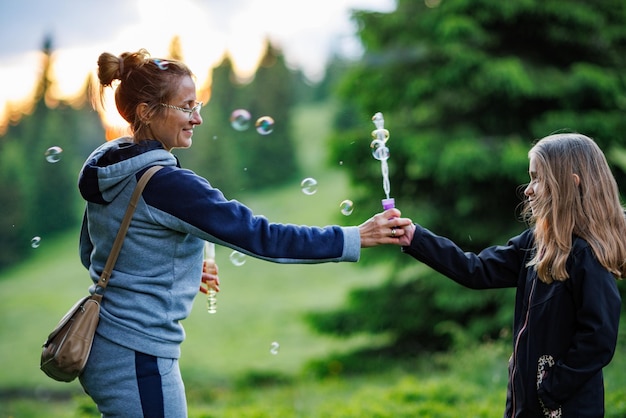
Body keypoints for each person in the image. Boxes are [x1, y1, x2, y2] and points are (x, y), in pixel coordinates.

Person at [79, 48, 412, 417]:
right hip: (137, 355)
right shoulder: (167, 184)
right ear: (145, 111)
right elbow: (260, 236)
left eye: (198, 105)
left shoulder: (110, 169)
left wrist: (179, 270)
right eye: (187, 107)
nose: (197, 118)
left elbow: (94, 253)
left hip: (107, 344)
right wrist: (356, 236)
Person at [396, 133, 624, 417]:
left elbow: (599, 337)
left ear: (571, 184)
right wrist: (415, 237)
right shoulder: (534, 244)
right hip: (524, 406)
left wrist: (551, 389)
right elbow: (475, 270)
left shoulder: (586, 256)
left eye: (538, 179)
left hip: (565, 409)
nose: (528, 190)